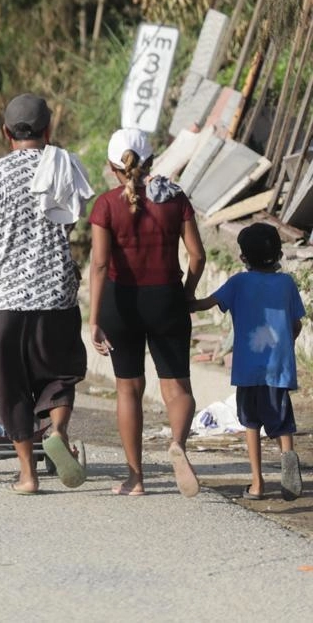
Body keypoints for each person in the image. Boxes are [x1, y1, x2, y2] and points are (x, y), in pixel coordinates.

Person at [0, 93, 91, 495]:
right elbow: (72, 222)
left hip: (5, 300)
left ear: (5, 133)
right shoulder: (66, 166)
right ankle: (59, 431)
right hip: (55, 295)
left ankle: (27, 475)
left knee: (11, 385)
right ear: (49, 130)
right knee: (59, 374)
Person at [88, 128, 207, 498]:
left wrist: (93, 319)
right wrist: (186, 295)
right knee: (177, 386)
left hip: (120, 304)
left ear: (112, 166)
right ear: (152, 162)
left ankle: (135, 479)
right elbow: (198, 256)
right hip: (167, 299)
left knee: (128, 389)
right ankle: (177, 445)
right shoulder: (175, 200)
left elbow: (99, 264)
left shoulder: (106, 205)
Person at [191, 223, 304, 501]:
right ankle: (288, 457)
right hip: (278, 369)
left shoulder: (238, 283)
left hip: (247, 370)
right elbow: (296, 324)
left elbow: (204, 303)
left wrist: (182, 298)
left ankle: (257, 483)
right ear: (279, 254)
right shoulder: (287, 284)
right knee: (282, 424)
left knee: (251, 423)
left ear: (243, 257)